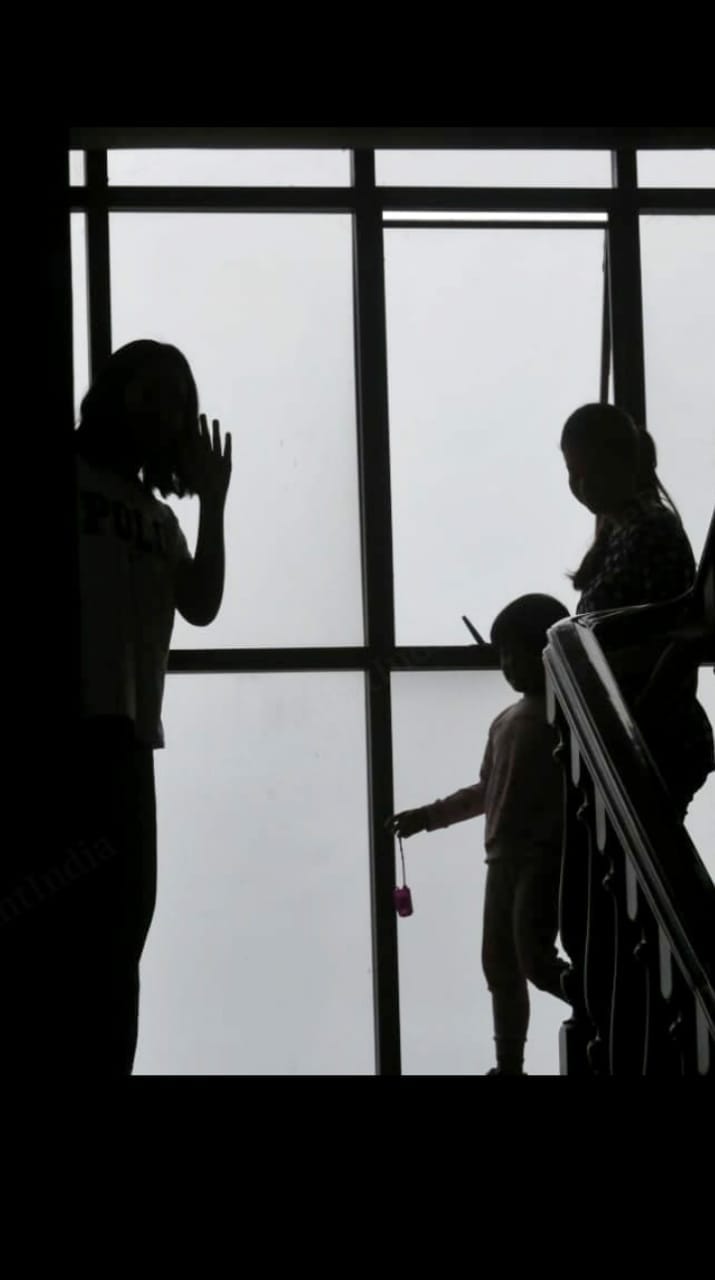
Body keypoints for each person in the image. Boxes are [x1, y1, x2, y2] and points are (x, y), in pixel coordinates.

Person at [7, 339, 232, 1075]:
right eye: (152, 392)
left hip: (131, 744)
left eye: (175, 400)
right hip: (70, 741)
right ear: (114, 393)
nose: (164, 411)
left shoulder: (154, 514)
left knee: (119, 939)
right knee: (71, 941)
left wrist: (214, 505)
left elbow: (200, 604)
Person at [387, 594, 572, 1077]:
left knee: (531, 958)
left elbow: (487, 793)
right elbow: (485, 790)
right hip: (504, 857)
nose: (508, 665)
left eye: (516, 653)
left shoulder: (567, 716)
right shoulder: (509, 721)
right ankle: (508, 1063)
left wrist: (428, 817)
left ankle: (598, 1000)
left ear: (547, 649)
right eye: (503, 655)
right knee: (501, 964)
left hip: (543, 855)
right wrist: (428, 816)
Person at [560, 403, 714, 817]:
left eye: (588, 468)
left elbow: (668, 637)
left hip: (652, 727)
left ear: (624, 461)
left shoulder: (650, 529)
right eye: (572, 472)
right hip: (642, 723)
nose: (580, 483)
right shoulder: (622, 528)